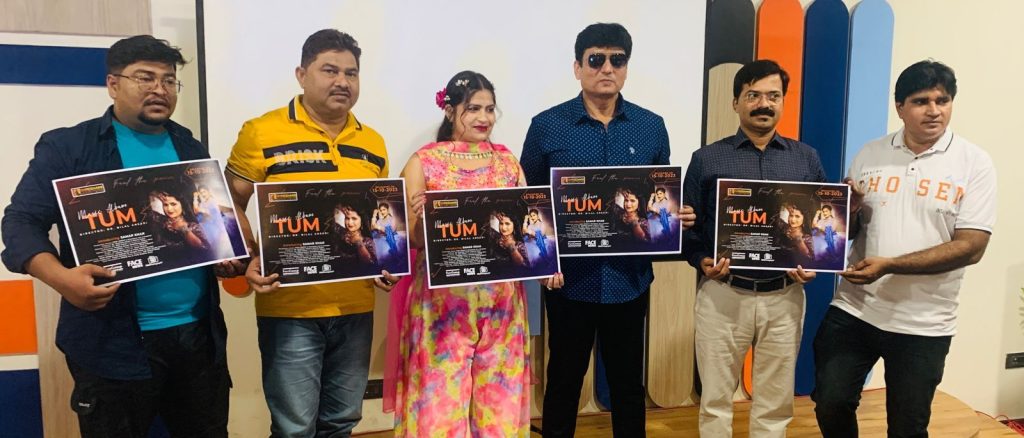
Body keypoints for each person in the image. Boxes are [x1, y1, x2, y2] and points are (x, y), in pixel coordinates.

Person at [0, 35, 243, 437]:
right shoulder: (70, 147)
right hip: (111, 343)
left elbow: (211, 223)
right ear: (113, 84)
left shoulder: (189, 146)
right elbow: (20, 222)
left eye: (169, 80)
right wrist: (63, 280)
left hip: (198, 338)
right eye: (145, 77)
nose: (159, 89)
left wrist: (224, 255)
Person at [519, 23, 695, 437]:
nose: (607, 68)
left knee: (627, 384)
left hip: (628, 280)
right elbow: (529, 202)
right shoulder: (547, 125)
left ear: (626, 67)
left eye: (617, 59)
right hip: (569, 282)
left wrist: (676, 216)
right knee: (563, 381)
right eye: (596, 59)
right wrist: (543, 262)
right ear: (577, 67)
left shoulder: (651, 126)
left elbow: (658, 198)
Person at [223, 29, 399, 438]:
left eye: (352, 73)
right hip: (289, 309)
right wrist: (249, 257)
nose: (343, 81)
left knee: (342, 422)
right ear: (301, 75)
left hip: (355, 306)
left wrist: (386, 260)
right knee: (294, 427)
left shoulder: (372, 142)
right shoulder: (262, 131)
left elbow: (377, 217)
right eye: (329, 70)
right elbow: (229, 203)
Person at [812, 61, 996, 437]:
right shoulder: (870, 153)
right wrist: (851, 212)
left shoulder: (974, 163)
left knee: (907, 428)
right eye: (921, 101)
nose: (934, 110)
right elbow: (848, 232)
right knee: (830, 401)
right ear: (900, 107)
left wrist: (890, 265)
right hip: (855, 309)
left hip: (924, 323)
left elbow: (971, 246)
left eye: (942, 101)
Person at [392, 70, 564, 437]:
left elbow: (530, 225)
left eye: (489, 109)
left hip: (502, 303)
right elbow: (411, 239)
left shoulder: (506, 161)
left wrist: (547, 266)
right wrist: (420, 217)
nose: (483, 118)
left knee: (500, 405)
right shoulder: (424, 161)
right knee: (439, 409)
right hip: (442, 307)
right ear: (450, 110)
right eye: (473, 109)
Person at [681, 59, 825, 437]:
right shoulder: (707, 159)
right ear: (736, 103)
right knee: (715, 400)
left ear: (783, 101)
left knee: (775, 403)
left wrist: (815, 261)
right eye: (753, 95)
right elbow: (687, 230)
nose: (764, 104)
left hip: (785, 295)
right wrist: (701, 259)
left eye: (773, 96)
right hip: (723, 293)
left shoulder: (805, 158)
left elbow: (820, 225)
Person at [151, 181, 212, 264]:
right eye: (165, 205)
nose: (169, 209)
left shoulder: (193, 226)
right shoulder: (162, 221)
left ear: (182, 205)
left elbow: (205, 250)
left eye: (173, 204)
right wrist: (157, 194)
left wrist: (183, 229)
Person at [328, 202, 378, 270]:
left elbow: (370, 264)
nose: (350, 223)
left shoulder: (368, 241)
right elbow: (330, 221)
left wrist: (358, 242)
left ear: (362, 220)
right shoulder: (340, 233)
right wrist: (340, 207)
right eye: (347, 218)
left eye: (354, 218)